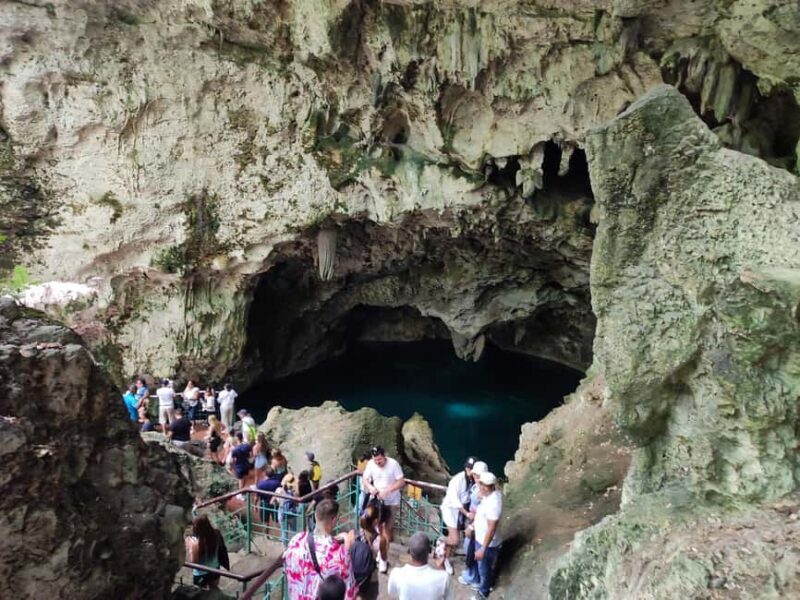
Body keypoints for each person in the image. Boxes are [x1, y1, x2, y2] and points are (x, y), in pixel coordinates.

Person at [282, 499, 357, 600]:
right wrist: (347, 546)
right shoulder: (340, 555)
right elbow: (348, 593)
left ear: (315, 516)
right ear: (334, 520)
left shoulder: (296, 540)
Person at [362, 445, 405, 574]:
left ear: (384, 455)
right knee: (373, 525)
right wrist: (370, 487)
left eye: (380, 460)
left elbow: (401, 481)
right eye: (376, 460)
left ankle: (384, 558)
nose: (378, 462)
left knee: (387, 530)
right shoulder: (370, 464)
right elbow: (365, 479)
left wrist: (388, 490)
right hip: (376, 500)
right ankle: (378, 551)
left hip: (391, 501)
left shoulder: (393, 464)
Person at [440, 457, 477, 575]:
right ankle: (440, 541)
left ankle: (445, 559)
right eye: (468, 468)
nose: (469, 470)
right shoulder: (457, 480)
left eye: (471, 469)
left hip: (461, 511)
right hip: (451, 510)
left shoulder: (474, 480)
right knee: (455, 540)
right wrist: (467, 513)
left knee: (454, 537)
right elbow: (455, 501)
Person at [387, 532, 453, 600]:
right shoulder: (443, 577)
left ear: (409, 551)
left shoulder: (396, 574)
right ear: (429, 551)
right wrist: (441, 566)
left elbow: (393, 596)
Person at [472, 472, 502, 599]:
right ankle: (489, 583)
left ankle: (483, 592)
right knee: (486, 567)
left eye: (486, 486)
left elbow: (491, 528)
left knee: (483, 569)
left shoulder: (494, 504)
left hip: (487, 544)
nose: (482, 487)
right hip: (481, 539)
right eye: (481, 484)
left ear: (492, 486)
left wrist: (483, 549)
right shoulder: (489, 495)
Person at [458, 461, 487, 588]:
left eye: (477, 475)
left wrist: (472, 525)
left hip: (477, 523)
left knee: (471, 549)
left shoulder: (482, 490)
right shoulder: (478, 487)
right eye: (475, 475)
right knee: (469, 548)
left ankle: (473, 577)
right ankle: (472, 574)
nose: (475, 478)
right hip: (473, 520)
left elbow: (482, 511)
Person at [185, 514, 229, 589]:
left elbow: (194, 563)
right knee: (214, 591)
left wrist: (191, 549)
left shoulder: (196, 542)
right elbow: (222, 549)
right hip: (215, 570)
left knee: (201, 595)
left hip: (201, 574)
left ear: (196, 528)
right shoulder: (217, 534)